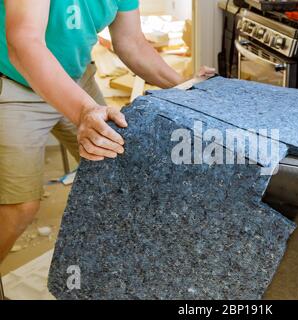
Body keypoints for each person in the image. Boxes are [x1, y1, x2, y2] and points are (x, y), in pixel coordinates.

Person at [0, 0, 215, 262]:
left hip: (77, 78)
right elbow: (23, 43)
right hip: (14, 83)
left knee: (119, 172)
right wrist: (83, 112)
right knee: (18, 207)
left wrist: (185, 87)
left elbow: (131, 43)